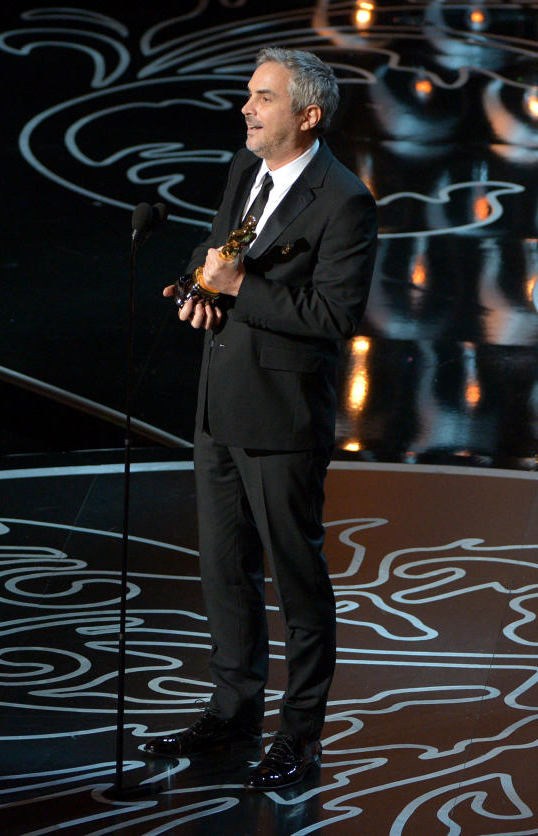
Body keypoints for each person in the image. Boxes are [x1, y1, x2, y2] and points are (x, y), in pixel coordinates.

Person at [145, 47, 378, 791]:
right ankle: (232, 713)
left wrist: (236, 285)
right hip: (217, 405)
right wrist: (194, 283)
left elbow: (333, 315)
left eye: (263, 98)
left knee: (296, 581)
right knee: (224, 571)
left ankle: (299, 738)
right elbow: (215, 251)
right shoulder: (247, 172)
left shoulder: (342, 200)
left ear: (305, 116)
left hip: (280, 419)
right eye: (249, 94)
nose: (246, 108)